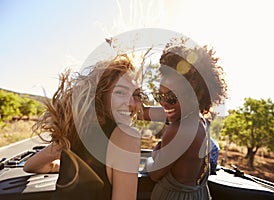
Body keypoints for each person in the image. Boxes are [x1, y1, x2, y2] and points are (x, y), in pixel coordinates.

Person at [23, 54, 143, 200]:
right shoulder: (126, 137)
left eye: (137, 95)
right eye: (120, 92)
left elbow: (30, 166)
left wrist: (69, 168)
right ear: (100, 95)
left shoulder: (75, 132)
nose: (132, 103)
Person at [146, 40, 227, 200]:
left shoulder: (179, 130)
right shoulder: (199, 120)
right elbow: (150, 112)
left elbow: (154, 173)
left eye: (171, 97)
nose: (163, 102)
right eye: (160, 96)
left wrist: (152, 156)